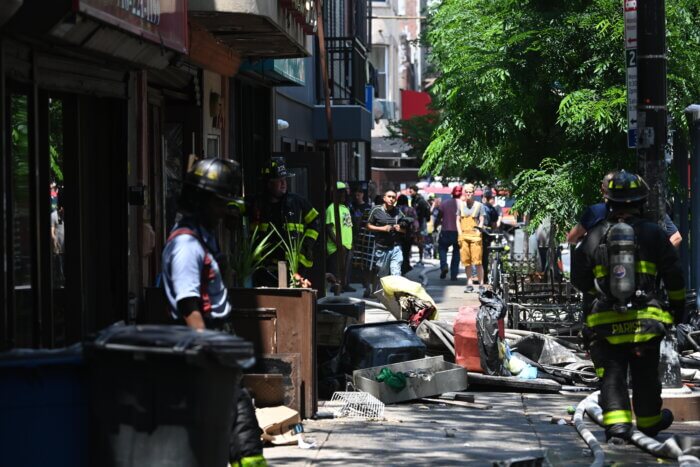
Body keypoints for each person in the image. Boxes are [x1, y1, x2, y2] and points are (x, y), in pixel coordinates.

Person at [161, 158, 266, 467]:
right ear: (202, 200)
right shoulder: (186, 246)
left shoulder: (202, 238)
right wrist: (211, 353)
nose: (224, 211)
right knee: (237, 428)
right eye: (221, 204)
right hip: (204, 347)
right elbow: (188, 305)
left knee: (235, 426)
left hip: (216, 342)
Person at [571, 170, 684, 444]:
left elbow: (578, 278)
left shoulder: (595, 235)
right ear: (641, 202)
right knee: (646, 376)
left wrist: (599, 295)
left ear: (608, 202)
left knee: (612, 377)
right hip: (646, 323)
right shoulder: (655, 234)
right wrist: (677, 312)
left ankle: (618, 426)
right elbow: (674, 276)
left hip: (605, 324)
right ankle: (649, 422)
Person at [247, 157, 320, 287]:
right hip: (264, 269)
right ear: (268, 183)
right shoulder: (257, 203)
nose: (283, 183)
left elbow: (315, 222)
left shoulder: (297, 202)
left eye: (284, 179)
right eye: (279, 180)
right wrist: (232, 212)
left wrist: (306, 246)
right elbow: (236, 205)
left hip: (293, 268)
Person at [567, 172, 617, 244]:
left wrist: (588, 237)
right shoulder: (635, 211)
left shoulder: (595, 211)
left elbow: (571, 238)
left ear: (602, 189)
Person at [367, 190, 406, 278]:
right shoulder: (376, 210)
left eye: (393, 197)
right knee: (382, 276)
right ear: (384, 198)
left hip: (395, 247)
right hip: (381, 248)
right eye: (389, 196)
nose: (391, 199)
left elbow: (406, 230)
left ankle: (395, 291)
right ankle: (379, 291)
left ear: (396, 200)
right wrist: (382, 228)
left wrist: (400, 229)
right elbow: (368, 226)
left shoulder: (398, 212)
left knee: (396, 273)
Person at [326, 181, 355, 292]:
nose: (343, 196)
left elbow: (348, 227)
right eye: (340, 193)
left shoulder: (345, 208)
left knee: (346, 269)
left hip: (347, 244)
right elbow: (329, 228)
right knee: (337, 269)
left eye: (344, 193)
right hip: (337, 246)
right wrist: (338, 244)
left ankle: (345, 284)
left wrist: (351, 243)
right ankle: (337, 286)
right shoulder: (331, 208)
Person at [457, 183, 485, 292]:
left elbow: (482, 219)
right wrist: (460, 233)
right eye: (466, 192)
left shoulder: (479, 205)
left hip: (475, 236)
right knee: (466, 261)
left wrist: (479, 230)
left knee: (477, 261)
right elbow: (458, 220)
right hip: (464, 235)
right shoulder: (461, 205)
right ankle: (469, 283)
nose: (468, 194)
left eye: (470, 192)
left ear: (473, 193)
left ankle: (481, 284)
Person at [436, 185, 462, 280]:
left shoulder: (444, 203)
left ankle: (444, 266)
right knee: (456, 253)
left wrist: (436, 226)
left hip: (445, 231)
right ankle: (454, 275)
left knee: (442, 249)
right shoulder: (463, 204)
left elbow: (439, 217)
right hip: (458, 232)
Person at [481, 189, 502, 279]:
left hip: (482, 233)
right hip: (486, 233)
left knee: (481, 256)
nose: (492, 200)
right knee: (484, 256)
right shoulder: (491, 209)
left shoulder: (481, 207)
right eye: (491, 198)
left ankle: (481, 276)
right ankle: (483, 276)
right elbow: (494, 224)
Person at [407, 185, 431, 264]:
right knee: (412, 239)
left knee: (420, 240)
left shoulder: (421, 201)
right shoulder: (414, 200)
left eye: (411, 191)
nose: (410, 193)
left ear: (415, 191)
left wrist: (424, 220)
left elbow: (427, 212)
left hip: (421, 223)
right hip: (415, 223)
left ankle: (421, 258)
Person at [396, 194, 419, 274]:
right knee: (406, 253)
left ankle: (398, 269)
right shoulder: (411, 210)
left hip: (396, 234)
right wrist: (415, 233)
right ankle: (404, 268)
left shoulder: (396, 209)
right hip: (408, 235)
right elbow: (416, 224)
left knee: (397, 252)